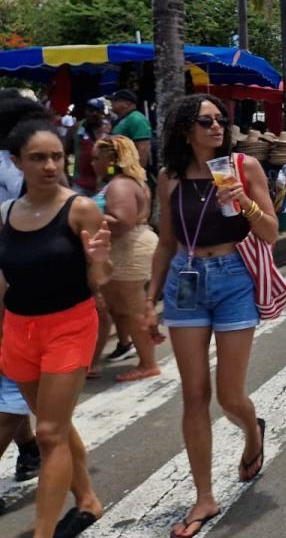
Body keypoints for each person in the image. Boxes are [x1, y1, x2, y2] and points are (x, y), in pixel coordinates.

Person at [145, 95, 277, 538]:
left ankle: (252, 435)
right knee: (194, 394)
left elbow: (271, 232)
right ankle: (204, 497)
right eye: (206, 121)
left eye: (221, 119)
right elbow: (165, 241)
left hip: (234, 276)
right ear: (186, 129)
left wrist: (244, 203)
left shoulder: (243, 168)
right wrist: (150, 300)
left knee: (230, 396)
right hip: (186, 280)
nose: (217, 126)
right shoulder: (170, 177)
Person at [0, 118, 113, 538]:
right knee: (57, 426)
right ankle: (87, 501)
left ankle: (42, 533)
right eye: (37, 158)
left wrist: (99, 256)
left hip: (69, 327)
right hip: (19, 331)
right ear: (16, 162)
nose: (49, 165)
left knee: (47, 433)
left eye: (55, 156)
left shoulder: (80, 208)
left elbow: (101, 279)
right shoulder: (6, 215)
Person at [0, 93, 43, 505]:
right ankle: (32, 449)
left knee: (13, 385)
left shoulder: (20, 167)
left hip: (21, 289)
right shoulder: (15, 168)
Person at [93, 135, 162, 382]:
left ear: (111, 159)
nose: (93, 163)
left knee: (132, 311)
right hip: (126, 248)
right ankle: (144, 357)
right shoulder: (125, 181)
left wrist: (85, 214)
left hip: (129, 248)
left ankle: (148, 363)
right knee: (123, 309)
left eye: (97, 158)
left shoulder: (120, 185)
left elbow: (122, 222)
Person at [72, 99, 109, 197]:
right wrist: (67, 176)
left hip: (103, 185)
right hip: (80, 184)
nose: (93, 113)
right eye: (89, 110)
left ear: (102, 113)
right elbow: (64, 151)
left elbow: (113, 160)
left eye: (96, 111)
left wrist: (110, 175)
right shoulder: (77, 127)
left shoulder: (109, 129)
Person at [107, 90, 152, 170]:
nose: (112, 104)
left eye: (115, 101)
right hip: (117, 169)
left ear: (126, 103)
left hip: (129, 171)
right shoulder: (121, 120)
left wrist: (137, 174)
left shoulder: (136, 118)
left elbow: (143, 149)